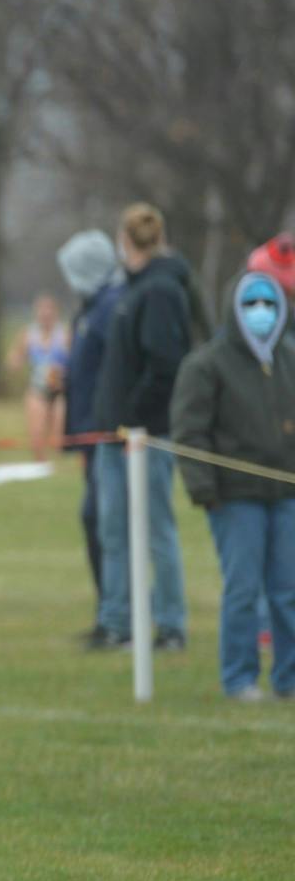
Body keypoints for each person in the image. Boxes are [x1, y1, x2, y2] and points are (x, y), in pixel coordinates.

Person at [171, 271, 295, 699]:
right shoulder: (206, 364)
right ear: (233, 309)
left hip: (286, 496)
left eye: (269, 304)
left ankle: (289, 676)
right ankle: (240, 677)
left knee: (288, 590)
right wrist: (204, 489)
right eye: (251, 304)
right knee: (243, 589)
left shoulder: (289, 360)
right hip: (234, 498)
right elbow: (190, 432)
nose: (261, 312)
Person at [91, 203, 203, 652]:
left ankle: (171, 624)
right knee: (114, 531)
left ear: (127, 240)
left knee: (157, 530)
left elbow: (164, 366)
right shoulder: (131, 289)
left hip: (145, 435)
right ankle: (117, 620)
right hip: (115, 435)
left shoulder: (160, 290)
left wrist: (132, 417)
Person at [56, 229, 123, 637]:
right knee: (95, 521)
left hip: (106, 435)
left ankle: (116, 614)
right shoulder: (88, 311)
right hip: (88, 434)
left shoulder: (109, 310)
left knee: (102, 522)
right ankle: (109, 610)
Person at [10, 293, 70, 461]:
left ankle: (58, 465)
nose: (45, 313)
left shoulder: (64, 334)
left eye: (49, 309)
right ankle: (40, 463)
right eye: (42, 309)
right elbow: (15, 357)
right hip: (37, 389)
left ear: (55, 312)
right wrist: (15, 362)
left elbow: (76, 361)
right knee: (36, 432)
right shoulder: (29, 335)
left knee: (59, 436)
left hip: (60, 390)